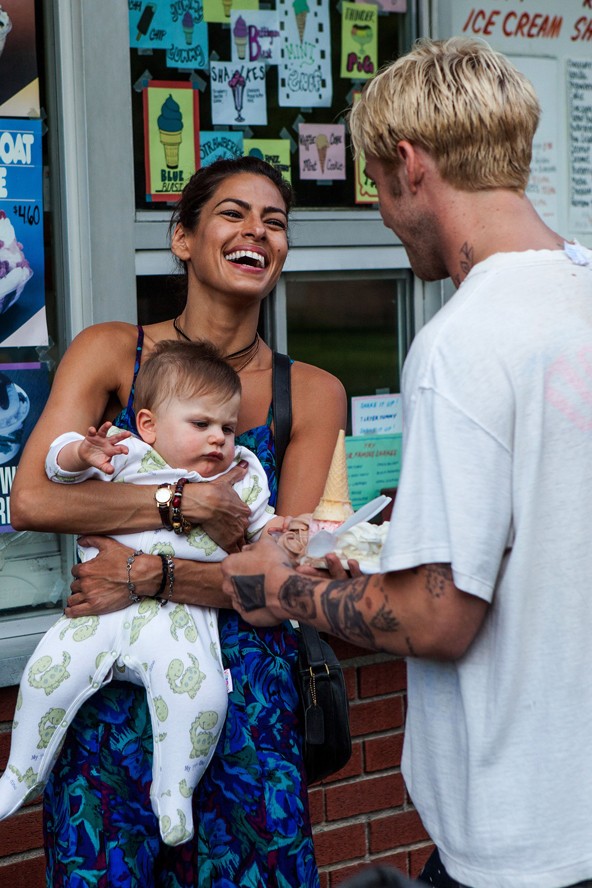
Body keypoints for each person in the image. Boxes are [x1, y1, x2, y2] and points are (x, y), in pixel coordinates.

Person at [221, 38, 592, 888]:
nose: (383, 214)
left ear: (410, 164)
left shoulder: (465, 341)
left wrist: (279, 588)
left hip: (523, 839)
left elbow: (434, 618)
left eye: (378, 186)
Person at [10, 156, 347, 886]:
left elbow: (278, 579)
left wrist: (145, 575)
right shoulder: (111, 352)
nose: (258, 230)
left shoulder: (312, 393)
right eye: (233, 213)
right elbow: (33, 500)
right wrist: (181, 504)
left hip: (247, 706)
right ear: (183, 238)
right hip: (111, 696)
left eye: (276, 221)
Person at [0, 339, 287, 848]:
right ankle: (18, 775)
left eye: (226, 426)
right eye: (200, 425)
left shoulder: (241, 478)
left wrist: (288, 532)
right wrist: (80, 451)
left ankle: (173, 791)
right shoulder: (130, 453)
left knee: (203, 695)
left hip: (179, 623)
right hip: (96, 616)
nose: (218, 438)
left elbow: (264, 532)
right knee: (46, 675)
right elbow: (53, 472)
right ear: (151, 425)